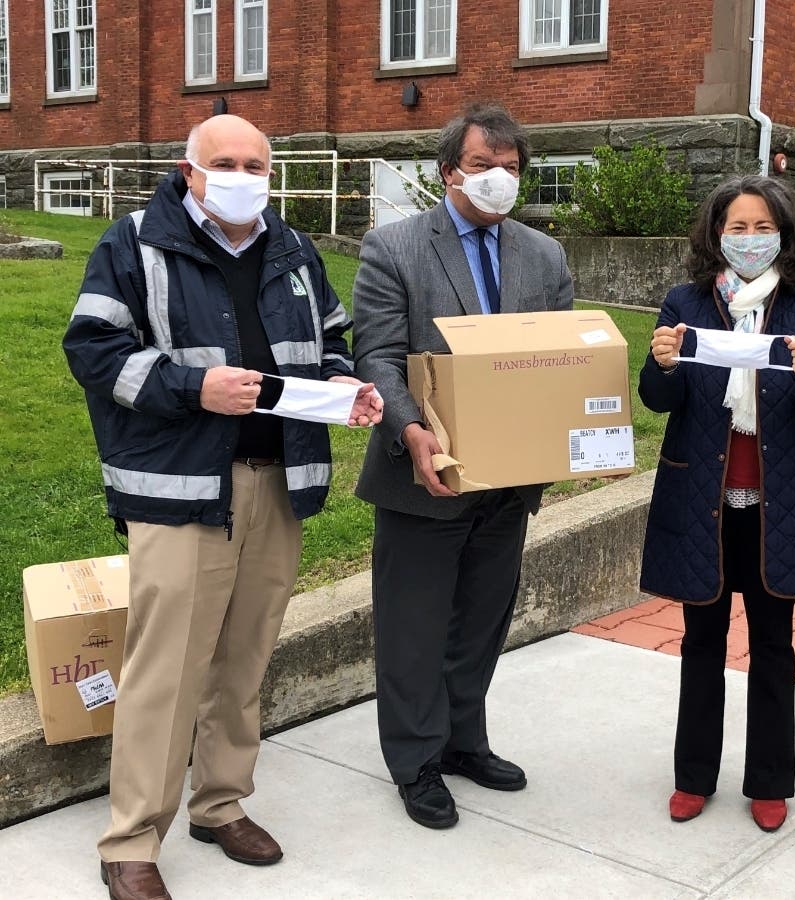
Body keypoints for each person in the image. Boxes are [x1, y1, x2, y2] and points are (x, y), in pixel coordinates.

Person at [63, 114, 382, 900]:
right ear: (190, 169)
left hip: (278, 478)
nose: (242, 175)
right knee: (165, 670)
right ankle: (132, 837)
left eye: (255, 162)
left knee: (244, 659)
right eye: (225, 162)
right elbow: (93, 351)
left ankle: (220, 802)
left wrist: (340, 381)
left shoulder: (294, 247)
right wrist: (192, 386)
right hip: (181, 489)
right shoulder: (135, 241)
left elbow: (333, 335)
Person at [353, 104, 573, 830]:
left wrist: (577, 438)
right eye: (483, 166)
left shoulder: (544, 256)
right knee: (414, 627)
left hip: (509, 482)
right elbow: (376, 356)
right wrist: (408, 427)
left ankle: (462, 739)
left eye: (511, 169)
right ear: (449, 171)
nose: (498, 180)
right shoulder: (395, 248)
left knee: (481, 620)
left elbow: (564, 359)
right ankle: (415, 761)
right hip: (426, 477)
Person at [639, 174, 795, 833]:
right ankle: (693, 776)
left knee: (774, 645)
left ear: (784, 235)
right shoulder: (684, 300)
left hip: (776, 501)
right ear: (715, 234)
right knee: (701, 638)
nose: (750, 239)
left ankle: (769, 781)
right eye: (737, 227)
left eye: (762, 227)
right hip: (702, 496)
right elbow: (657, 399)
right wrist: (663, 364)